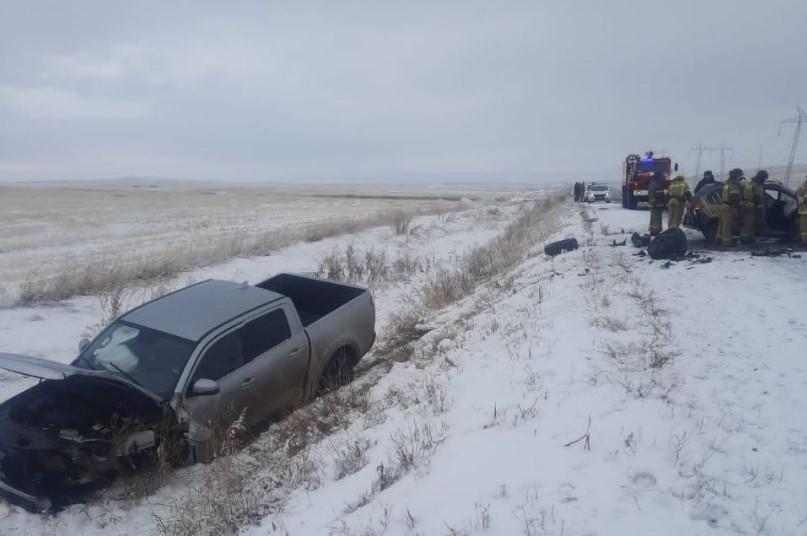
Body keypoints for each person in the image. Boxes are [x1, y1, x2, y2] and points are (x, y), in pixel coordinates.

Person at [717, 168, 743, 246]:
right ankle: (726, 242)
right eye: (740, 176)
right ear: (736, 176)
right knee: (727, 225)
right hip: (728, 206)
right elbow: (734, 197)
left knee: (721, 224)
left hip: (723, 205)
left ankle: (719, 239)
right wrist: (736, 208)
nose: (740, 178)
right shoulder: (733, 185)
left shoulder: (727, 183)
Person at [647, 170, 666, 235]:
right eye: (662, 176)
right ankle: (655, 231)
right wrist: (653, 201)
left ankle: (654, 230)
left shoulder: (658, 182)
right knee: (655, 217)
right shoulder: (654, 182)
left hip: (658, 203)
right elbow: (651, 192)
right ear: (659, 176)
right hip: (655, 203)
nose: (663, 177)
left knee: (656, 217)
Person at [750, 170, 768, 235]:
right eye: (764, 178)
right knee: (755, 221)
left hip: (760, 206)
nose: (765, 180)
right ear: (761, 177)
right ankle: (755, 233)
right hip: (755, 207)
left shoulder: (760, 185)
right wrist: (759, 205)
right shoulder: (754, 185)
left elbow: (761, 194)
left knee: (759, 220)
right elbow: (755, 196)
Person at [797, 175, 807, 245]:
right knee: (804, 229)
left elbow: (799, 194)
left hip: (804, 211)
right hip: (804, 211)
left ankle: (804, 242)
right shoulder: (804, 186)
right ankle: (804, 242)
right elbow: (798, 194)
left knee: (804, 228)